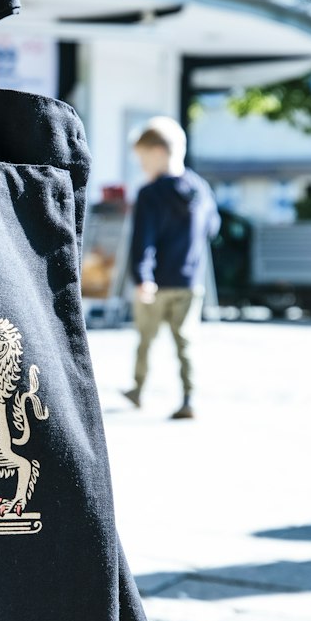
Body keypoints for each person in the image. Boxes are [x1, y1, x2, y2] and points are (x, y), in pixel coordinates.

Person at [123, 116, 220, 419]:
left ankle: (138, 390)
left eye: (142, 159)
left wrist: (142, 276)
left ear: (158, 154)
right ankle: (189, 397)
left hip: (156, 283)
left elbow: (144, 239)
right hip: (191, 281)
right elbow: (213, 227)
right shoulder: (200, 188)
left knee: (145, 339)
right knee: (186, 340)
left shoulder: (150, 194)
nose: (141, 167)